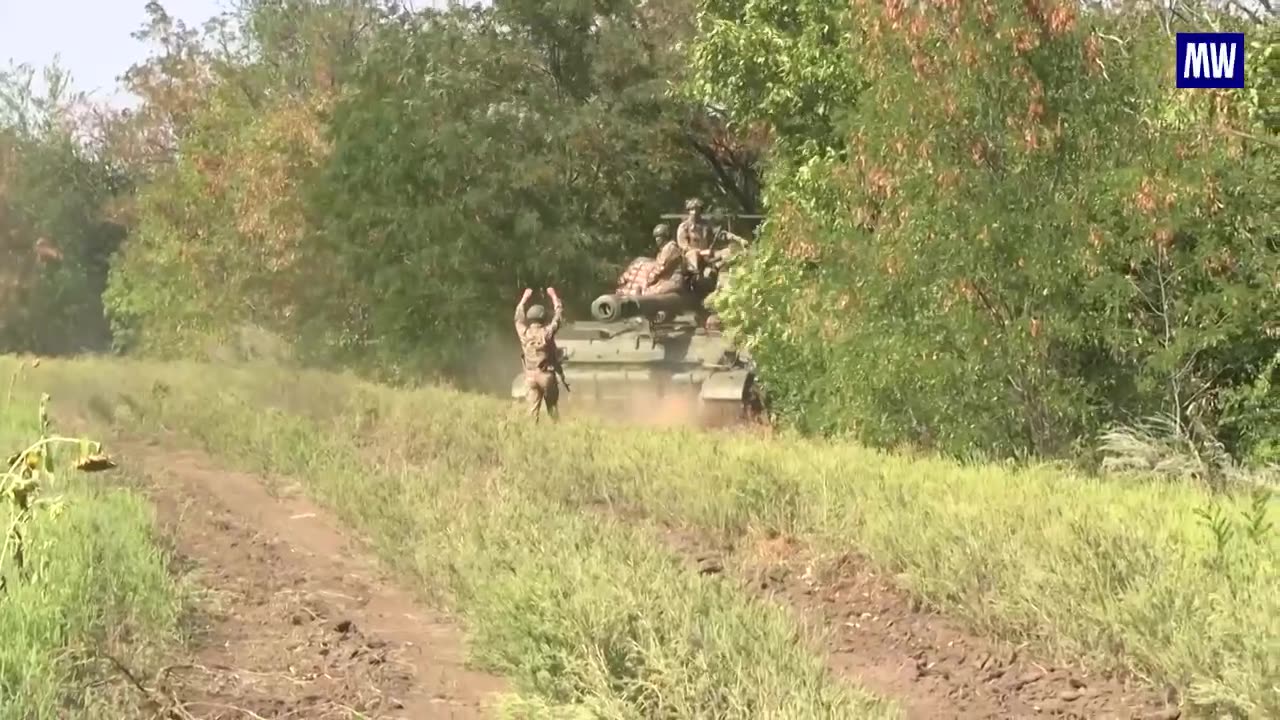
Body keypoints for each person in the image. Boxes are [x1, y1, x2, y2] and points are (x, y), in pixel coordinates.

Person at [514, 287, 564, 423]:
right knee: (552, 409)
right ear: (543, 317)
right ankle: (556, 430)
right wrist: (554, 296)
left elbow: (518, 317)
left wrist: (524, 298)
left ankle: (532, 434)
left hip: (530, 377)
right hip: (546, 376)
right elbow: (558, 317)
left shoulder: (524, 333)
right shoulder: (546, 333)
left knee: (532, 412)